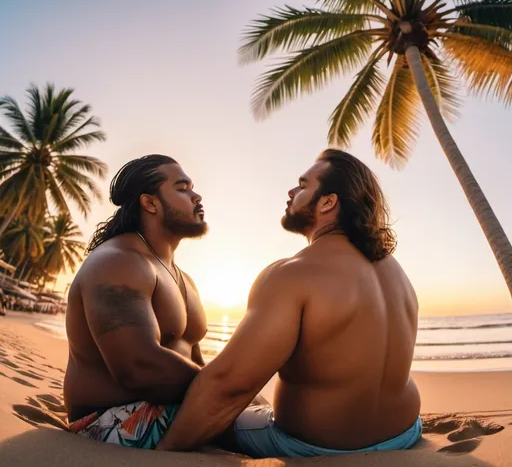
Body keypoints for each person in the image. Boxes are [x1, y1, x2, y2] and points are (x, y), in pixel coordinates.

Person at [157, 149, 422, 457]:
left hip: (318, 446)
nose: (291, 191)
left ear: (328, 202)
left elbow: (227, 385)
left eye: (303, 185)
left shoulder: (293, 274)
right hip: (404, 432)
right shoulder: (394, 270)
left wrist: (165, 451)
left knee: (192, 413)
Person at [64, 154, 208, 449]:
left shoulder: (184, 279)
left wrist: (231, 391)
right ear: (150, 203)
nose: (196, 195)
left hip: (171, 409)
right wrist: (229, 387)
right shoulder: (119, 261)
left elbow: (194, 361)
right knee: (287, 436)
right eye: (182, 189)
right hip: (113, 422)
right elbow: (137, 367)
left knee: (277, 426)